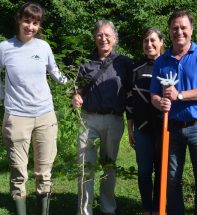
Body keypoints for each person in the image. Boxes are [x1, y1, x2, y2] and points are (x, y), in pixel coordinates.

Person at [0, 2, 67, 215]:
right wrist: (1, 98)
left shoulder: (43, 47)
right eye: (27, 21)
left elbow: (55, 72)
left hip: (45, 115)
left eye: (35, 23)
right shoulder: (4, 48)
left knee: (44, 172)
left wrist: (75, 87)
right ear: (19, 20)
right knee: (18, 172)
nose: (30, 26)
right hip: (16, 117)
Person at [149, 10, 197, 215]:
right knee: (171, 179)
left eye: (183, 28)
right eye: (174, 28)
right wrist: (159, 103)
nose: (179, 32)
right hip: (171, 128)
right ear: (169, 32)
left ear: (191, 30)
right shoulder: (162, 61)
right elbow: (153, 93)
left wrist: (179, 96)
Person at [71, 20, 133, 215]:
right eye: (99, 35)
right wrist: (75, 96)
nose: (103, 38)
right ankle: (84, 210)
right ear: (94, 38)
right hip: (88, 120)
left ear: (114, 38)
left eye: (107, 35)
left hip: (114, 120)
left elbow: (132, 93)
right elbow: (77, 90)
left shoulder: (125, 63)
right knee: (85, 167)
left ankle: (108, 208)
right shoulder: (85, 62)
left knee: (109, 166)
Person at [126, 27, 164, 215]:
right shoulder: (136, 68)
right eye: (145, 41)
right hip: (142, 128)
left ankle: (159, 208)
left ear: (161, 42)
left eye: (153, 40)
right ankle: (147, 208)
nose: (149, 44)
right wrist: (130, 128)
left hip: (164, 128)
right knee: (144, 171)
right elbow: (130, 101)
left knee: (162, 169)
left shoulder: (168, 65)